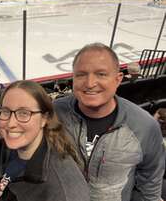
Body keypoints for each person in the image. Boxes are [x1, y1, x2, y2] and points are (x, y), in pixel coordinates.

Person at [53, 43, 165, 201]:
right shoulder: (52, 113)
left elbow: (149, 187)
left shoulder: (145, 126)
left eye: (101, 74)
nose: (90, 83)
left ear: (118, 79)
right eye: (81, 74)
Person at [0, 80, 89, 201]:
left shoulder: (63, 191)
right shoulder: (7, 145)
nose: (11, 123)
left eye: (24, 113)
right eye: (6, 111)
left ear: (45, 118)